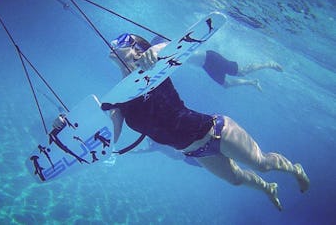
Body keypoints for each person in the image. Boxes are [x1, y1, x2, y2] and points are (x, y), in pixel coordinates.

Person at [106, 33, 309, 211]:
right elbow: (111, 137)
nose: (114, 42)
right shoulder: (118, 99)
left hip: (216, 131)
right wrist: (103, 147)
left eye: (122, 40)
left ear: (138, 48)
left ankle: (294, 169)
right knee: (236, 180)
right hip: (195, 151)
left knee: (262, 164)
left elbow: (170, 45)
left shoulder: (156, 65)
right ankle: (268, 188)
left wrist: (157, 49)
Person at [153, 36, 283, 91]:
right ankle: (252, 82)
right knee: (226, 85)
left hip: (212, 58)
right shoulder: (170, 54)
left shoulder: (175, 47)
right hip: (206, 66)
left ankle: (268, 64)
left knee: (241, 71)